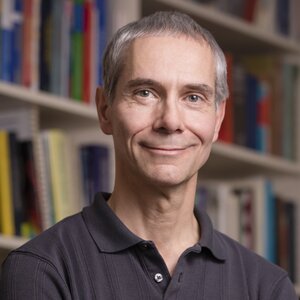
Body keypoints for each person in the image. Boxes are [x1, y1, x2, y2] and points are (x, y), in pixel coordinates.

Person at [0, 11, 297, 300]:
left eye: (193, 97)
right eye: (145, 92)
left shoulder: (266, 288)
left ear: (217, 120)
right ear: (105, 110)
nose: (170, 121)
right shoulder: (40, 270)